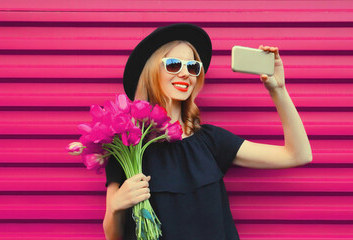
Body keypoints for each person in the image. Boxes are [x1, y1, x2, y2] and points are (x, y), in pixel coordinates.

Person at [102, 23, 313, 240]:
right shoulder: (126, 147)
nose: (186, 74)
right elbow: (113, 236)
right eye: (173, 65)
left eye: (193, 67)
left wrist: (278, 90)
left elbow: (299, 155)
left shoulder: (211, 141)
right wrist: (116, 207)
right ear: (151, 72)